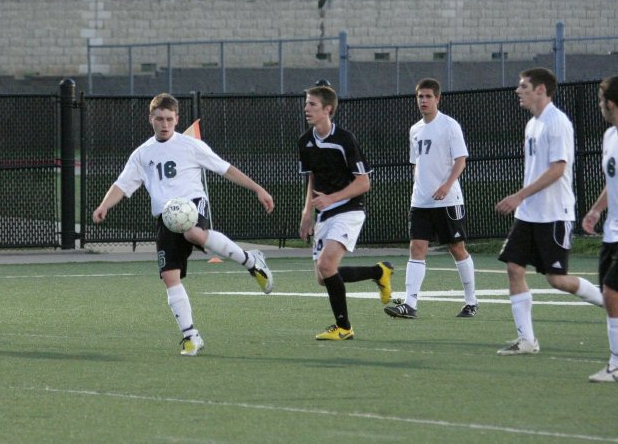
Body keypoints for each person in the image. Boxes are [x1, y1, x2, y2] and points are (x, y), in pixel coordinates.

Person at [92, 93, 275, 356]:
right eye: (159, 119)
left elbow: (225, 169)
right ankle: (191, 336)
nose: (165, 124)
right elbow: (122, 184)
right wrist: (104, 205)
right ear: (150, 120)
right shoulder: (142, 154)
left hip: (192, 205)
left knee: (195, 233)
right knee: (169, 277)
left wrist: (258, 189)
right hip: (166, 218)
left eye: (169, 119)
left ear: (177, 119)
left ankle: (252, 261)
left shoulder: (191, 146)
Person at [494, 67, 603, 355]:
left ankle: (610, 302)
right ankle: (527, 341)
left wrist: (518, 196)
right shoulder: (533, 124)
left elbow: (558, 170)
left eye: (524, 87)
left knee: (557, 280)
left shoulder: (558, 122)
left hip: (554, 214)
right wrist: (522, 202)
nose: (518, 91)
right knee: (514, 268)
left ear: (541, 89)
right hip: (528, 214)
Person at [298, 84, 394, 341]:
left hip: (349, 209)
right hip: (324, 214)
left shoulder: (345, 139)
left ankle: (344, 327)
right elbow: (312, 178)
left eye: (312, 104)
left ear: (327, 109)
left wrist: (332, 198)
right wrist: (307, 212)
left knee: (326, 264)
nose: (306, 108)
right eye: (306, 103)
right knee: (323, 276)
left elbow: (364, 182)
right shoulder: (305, 141)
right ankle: (378, 272)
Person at [385, 78, 478, 319]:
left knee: (456, 248)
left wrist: (446, 186)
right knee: (416, 247)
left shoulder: (449, 125)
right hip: (421, 202)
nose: (423, 101)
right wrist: (419, 190)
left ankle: (471, 301)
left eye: (428, 96)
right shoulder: (415, 129)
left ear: (438, 98)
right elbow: (416, 164)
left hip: (448, 201)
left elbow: (461, 160)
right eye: (420, 96)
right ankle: (410, 304)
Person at [581, 75, 618, 382]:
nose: (599, 106)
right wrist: (596, 210)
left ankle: (616, 364)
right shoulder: (609, 137)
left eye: (600, 100)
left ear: (611, 104)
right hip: (612, 232)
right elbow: (612, 183)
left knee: (611, 292)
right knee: (610, 296)